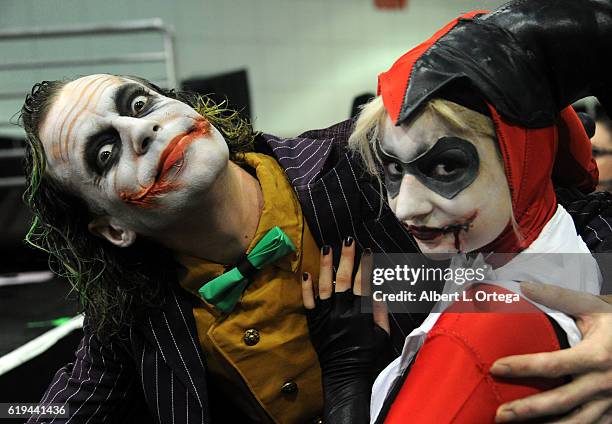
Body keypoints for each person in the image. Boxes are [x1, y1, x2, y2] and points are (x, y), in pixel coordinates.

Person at [18, 30, 612, 424]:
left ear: (188, 107)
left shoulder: (362, 165)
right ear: (112, 228)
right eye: (103, 153)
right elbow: (52, 413)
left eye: (140, 104)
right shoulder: (136, 310)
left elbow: (573, 213)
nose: (139, 130)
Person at [302, 0, 612, 422]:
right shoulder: (483, 269)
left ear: (522, 161)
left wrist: (346, 380)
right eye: (393, 169)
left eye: (445, 166)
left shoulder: (486, 325)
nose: (404, 206)